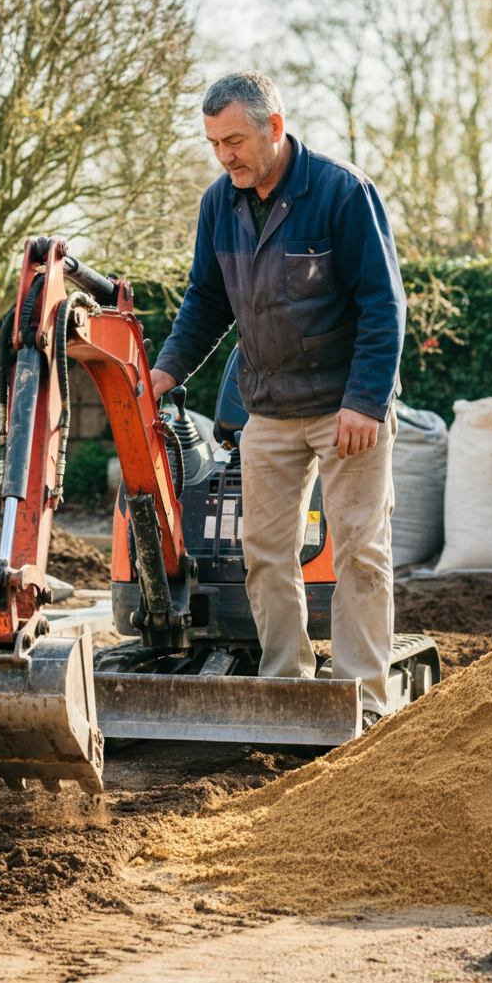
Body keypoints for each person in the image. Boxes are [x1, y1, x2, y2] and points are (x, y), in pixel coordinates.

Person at [149, 70, 406, 727]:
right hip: (269, 406)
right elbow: (206, 301)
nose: (224, 155)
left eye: (234, 139)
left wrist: (365, 403)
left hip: (347, 406)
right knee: (263, 552)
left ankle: (362, 705)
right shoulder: (220, 205)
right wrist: (165, 372)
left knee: (359, 552)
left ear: (274, 127)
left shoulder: (341, 194)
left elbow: (385, 305)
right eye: (213, 143)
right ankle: (287, 690)